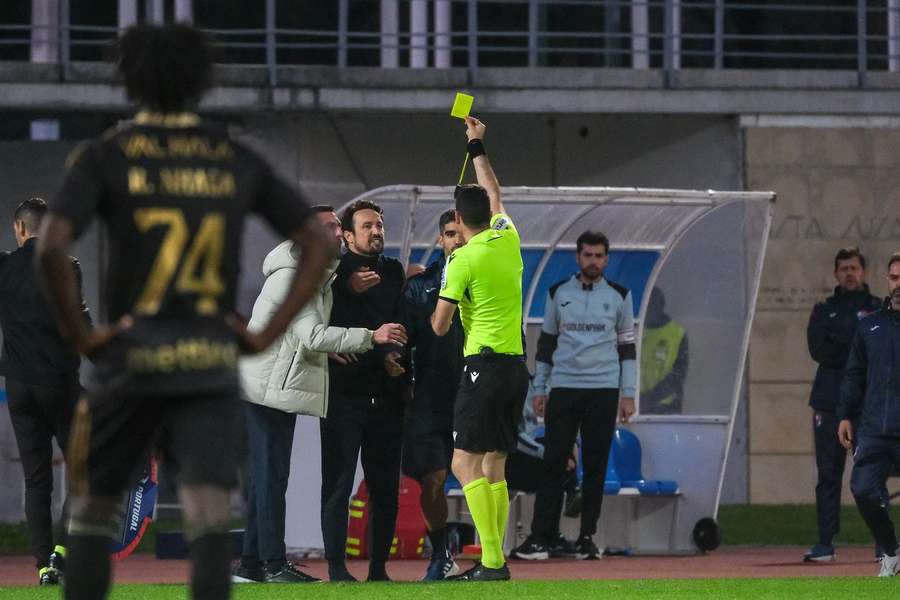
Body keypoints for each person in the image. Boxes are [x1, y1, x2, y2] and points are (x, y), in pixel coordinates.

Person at [35, 24, 330, 600]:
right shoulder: (233, 156)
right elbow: (317, 243)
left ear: (129, 79)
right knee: (208, 515)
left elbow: (48, 246)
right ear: (204, 79)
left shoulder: (106, 155)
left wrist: (85, 336)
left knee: (94, 509)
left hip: (129, 359)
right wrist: (262, 333)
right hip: (206, 361)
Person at [235, 205, 407, 584]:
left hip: (274, 384)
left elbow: (301, 333)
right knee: (271, 478)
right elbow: (311, 334)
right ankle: (274, 564)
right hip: (268, 388)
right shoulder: (298, 274)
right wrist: (371, 336)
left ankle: (250, 564)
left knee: (268, 476)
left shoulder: (314, 272)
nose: (336, 234)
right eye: (329, 227)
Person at [431, 116, 529, 582]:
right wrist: (476, 144)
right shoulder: (507, 235)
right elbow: (495, 191)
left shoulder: (461, 259)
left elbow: (438, 325)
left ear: (456, 223)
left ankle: (491, 560)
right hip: (515, 366)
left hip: (483, 366)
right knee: (494, 464)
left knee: (463, 462)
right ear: (488, 215)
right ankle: (495, 561)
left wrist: (449, 287)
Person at [513, 230, 636, 561]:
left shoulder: (620, 295)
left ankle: (587, 538)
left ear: (606, 259)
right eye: (587, 255)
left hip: (604, 390)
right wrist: (540, 388)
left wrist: (628, 394)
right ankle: (541, 538)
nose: (593, 261)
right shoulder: (557, 293)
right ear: (578, 257)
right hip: (564, 389)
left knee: (595, 466)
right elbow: (546, 345)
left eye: (598, 256)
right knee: (553, 463)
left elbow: (627, 348)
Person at [0, 197, 90, 585]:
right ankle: (63, 551)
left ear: (19, 228)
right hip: (61, 387)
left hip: (20, 390)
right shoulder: (67, 267)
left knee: (36, 480)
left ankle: (42, 565)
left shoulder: (3, 267)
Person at [320, 199, 407, 583]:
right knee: (338, 485)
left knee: (385, 487)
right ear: (348, 236)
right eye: (368, 226)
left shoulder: (393, 271)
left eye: (379, 225)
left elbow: (400, 325)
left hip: (387, 396)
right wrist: (348, 290)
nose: (376, 232)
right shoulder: (332, 275)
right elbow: (319, 326)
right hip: (344, 396)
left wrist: (393, 355)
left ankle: (378, 571)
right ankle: (337, 569)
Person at [804, 247, 882, 563]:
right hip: (829, 403)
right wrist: (857, 349)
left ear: (864, 273)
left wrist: (850, 348)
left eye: (854, 268)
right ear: (836, 274)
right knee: (828, 474)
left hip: (867, 407)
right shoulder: (824, 310)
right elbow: (819, 350)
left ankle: (884, 543)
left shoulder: (879, 309)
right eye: (843, 268)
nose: (849, 273)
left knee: (871, 475)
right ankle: (825, 544)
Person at [399, 209, 465, 580]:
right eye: (450, 234)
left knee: (483, 478)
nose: (457, 239)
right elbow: (401, 339)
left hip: (474, 395)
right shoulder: (418, 287)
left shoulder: (487, 283)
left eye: (462, 233)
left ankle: (491, 556)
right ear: (441, 239)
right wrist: (394, 364)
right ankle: (441, 553)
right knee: (432, 481)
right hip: (428, 400)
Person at [837, 251, 900, 578]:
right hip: (875, 428)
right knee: (862, 489)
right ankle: (891, 551)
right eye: (894, 277)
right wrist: (846, 415)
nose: (898, 284)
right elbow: (854, 374)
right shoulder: (870, 324)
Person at [639, 288, 689, 415]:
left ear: (662, 306)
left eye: (653, 305)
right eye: (648, 306)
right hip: (635, 409)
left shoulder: (677, 334)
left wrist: (648, 399)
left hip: (665, 410)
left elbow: (677, 376)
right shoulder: (636, 331)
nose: (651, 310)